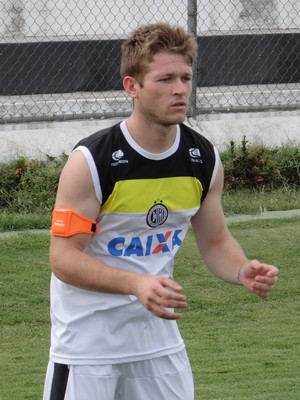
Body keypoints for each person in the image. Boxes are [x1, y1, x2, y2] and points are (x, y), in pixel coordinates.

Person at [43, 22, 279, 400]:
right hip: (87, 349)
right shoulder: (92, 161)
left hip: (159, 345)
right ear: (132, 86)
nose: (180, 89)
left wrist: (241, 269)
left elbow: (215, 239)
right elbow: (64, 259)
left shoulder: (202, 157)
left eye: (185, 77)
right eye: (165, 78)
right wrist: (135, 284)